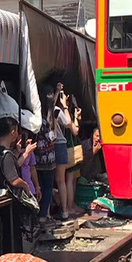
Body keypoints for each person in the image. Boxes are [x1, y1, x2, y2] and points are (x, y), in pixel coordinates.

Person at [0, 116, 34, 253]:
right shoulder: (5, 153)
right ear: (13, 132)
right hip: (7, 197)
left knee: (6, 231)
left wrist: (21, 153)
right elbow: (13, 179)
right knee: (12, 231)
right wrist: (25, 185)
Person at [52, 88, 82, 218]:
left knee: (70, 179)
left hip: (69, 147)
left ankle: (70, 206)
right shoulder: (58, 111)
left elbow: (74, 128)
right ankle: (68, 207)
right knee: (67, 179)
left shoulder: (59, 111)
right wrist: (64, 106)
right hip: (67, 146)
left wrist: (76, 117)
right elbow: (72, 128)